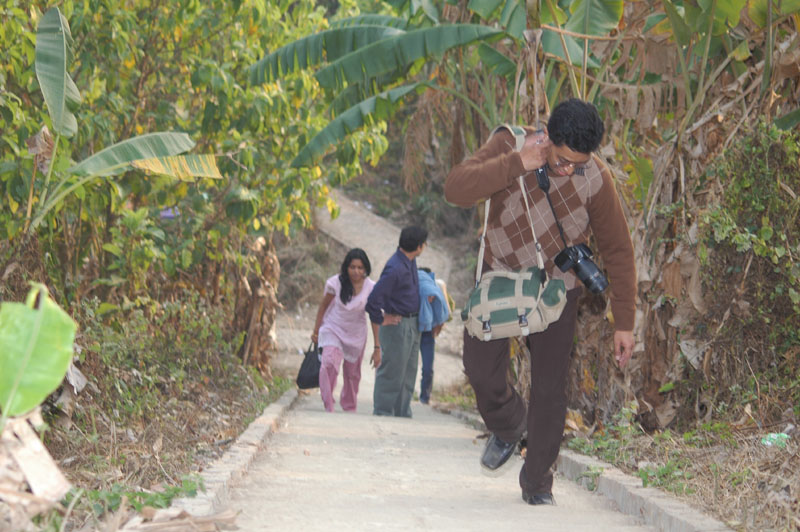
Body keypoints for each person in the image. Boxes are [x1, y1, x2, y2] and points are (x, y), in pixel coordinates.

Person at [444, 99, 636, 506]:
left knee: (550, 388)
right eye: (561, 160)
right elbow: (455, 188)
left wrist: (625, 321)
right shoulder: (509, 144)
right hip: (499, 278)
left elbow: (619, 249)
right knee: (480, 372)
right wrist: (517, 163)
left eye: (577, 164)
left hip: (557, 289)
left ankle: (537, 482)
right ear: (547, 137)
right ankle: (510, 425)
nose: (568, 170)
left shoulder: (595, 177)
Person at [366, 225, 428, 417]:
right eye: (424, 243)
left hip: (413, 324)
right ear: (419, 246)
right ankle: (383, 411)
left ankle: (402, 412)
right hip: (397, 325)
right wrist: (382, 318)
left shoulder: (410, 261)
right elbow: (373, 300)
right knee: (392, 371)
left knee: (408, 372)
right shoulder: (395, 268)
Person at [311, 248, 379, 413]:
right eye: (352, 267)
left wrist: (377, 346)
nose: (356, 271)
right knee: (328, 363)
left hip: (356, 334)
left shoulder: (371, 287)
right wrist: (316, 331)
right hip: (333, 328)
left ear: (365, 269)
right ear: (346, 267)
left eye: (360, 268)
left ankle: (349, 406)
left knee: (352, 374)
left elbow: (374, 316)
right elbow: (323, 306)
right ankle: (328, 403)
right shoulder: (335, 283)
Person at [417, 267, 451, 404]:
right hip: (414, 330)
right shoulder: (413, 286)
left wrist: (437, 330)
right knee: (411, 365)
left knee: (427, 367)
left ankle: (425, 397)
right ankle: (408, 395)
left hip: (427, 333)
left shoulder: (437, 287)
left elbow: (445, 312)